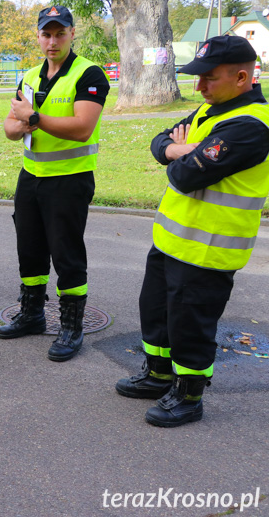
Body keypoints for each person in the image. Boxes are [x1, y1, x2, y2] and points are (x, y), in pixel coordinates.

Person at [116, 35, 269, 427]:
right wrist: (181, 148)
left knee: (190, 326)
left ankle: (189, 396)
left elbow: (183, 177)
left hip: (207, 251)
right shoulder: (209, 111)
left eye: (209, 78)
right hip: (170, 242)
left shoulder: (251, 127)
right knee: (156, 314)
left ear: (241, 77)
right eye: (197, 77)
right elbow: (158, 144)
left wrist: (180, 153)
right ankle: (158, 375)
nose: (198, 87)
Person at [0, 5, 109, 362]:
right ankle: (31, 313)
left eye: (60, 33)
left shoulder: (88, 73)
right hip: (31, 177)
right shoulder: (29, 76)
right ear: (38, 36)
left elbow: (82, 128)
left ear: (72, 34)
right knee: (29, 249)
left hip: (69, 181)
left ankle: (72, 327)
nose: (52, 41)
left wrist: (33, 118)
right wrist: (24, 123)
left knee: (66, 254)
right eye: (46, 34)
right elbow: (10, 128)